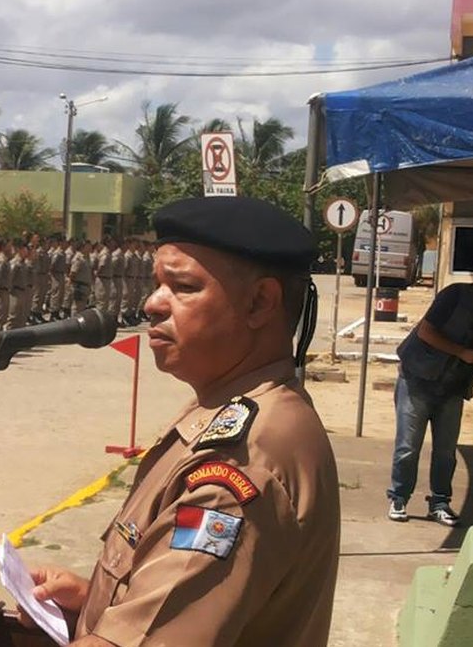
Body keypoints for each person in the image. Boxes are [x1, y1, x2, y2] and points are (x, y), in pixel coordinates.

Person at [25, 196, 336, 647]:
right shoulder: (230, 408)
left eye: (183, 287)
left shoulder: (241, 463)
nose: (153, 304)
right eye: (157, 285)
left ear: (259, 303)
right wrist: (97, 606)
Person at [387, 254, 473, 526]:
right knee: (408, 447)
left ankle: (440, 502)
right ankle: (399, 498)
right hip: (417, 380)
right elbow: (425, 331)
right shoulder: (456, 295)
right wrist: (463, 353)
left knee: (446, 450)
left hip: (454, 387)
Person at [69, 240, 92, 315]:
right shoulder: (78, 258)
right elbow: (73, 273)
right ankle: (74, 323)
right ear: (82, 247)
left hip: (85, 286)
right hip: (79, 286)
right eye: (88, 246)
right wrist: (75, 285)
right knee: (77, 307)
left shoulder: (86, 258)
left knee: (82, 307)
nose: (90, 247)